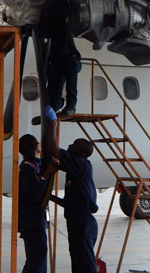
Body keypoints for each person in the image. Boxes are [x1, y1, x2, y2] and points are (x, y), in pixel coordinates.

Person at [42, 106, 99, 273]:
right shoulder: (76, 169)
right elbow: (68, 203)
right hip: (76, 221)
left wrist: (52, 122)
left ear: (81, 153)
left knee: (85, 262)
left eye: (74, 145)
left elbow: (53, 149)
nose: (69, 146)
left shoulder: (80, 164)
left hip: (83, 222)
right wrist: (48, 196)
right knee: (77, 259)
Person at [18, 133, 56, 273]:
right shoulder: (28, 168)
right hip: (32, 222)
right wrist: (46, 176)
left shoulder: (33, 165)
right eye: (38, 142)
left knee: (34, 260)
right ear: (35, 147)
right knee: (37, 261)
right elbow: (33, 195)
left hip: (34, 221)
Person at [47, 26, 81, 115]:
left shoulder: (63, 32)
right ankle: (56, 105)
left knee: (70, 67)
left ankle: (71, 104)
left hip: (71, 59)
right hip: (57, 65)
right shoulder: (45, 47)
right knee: (53, 102)